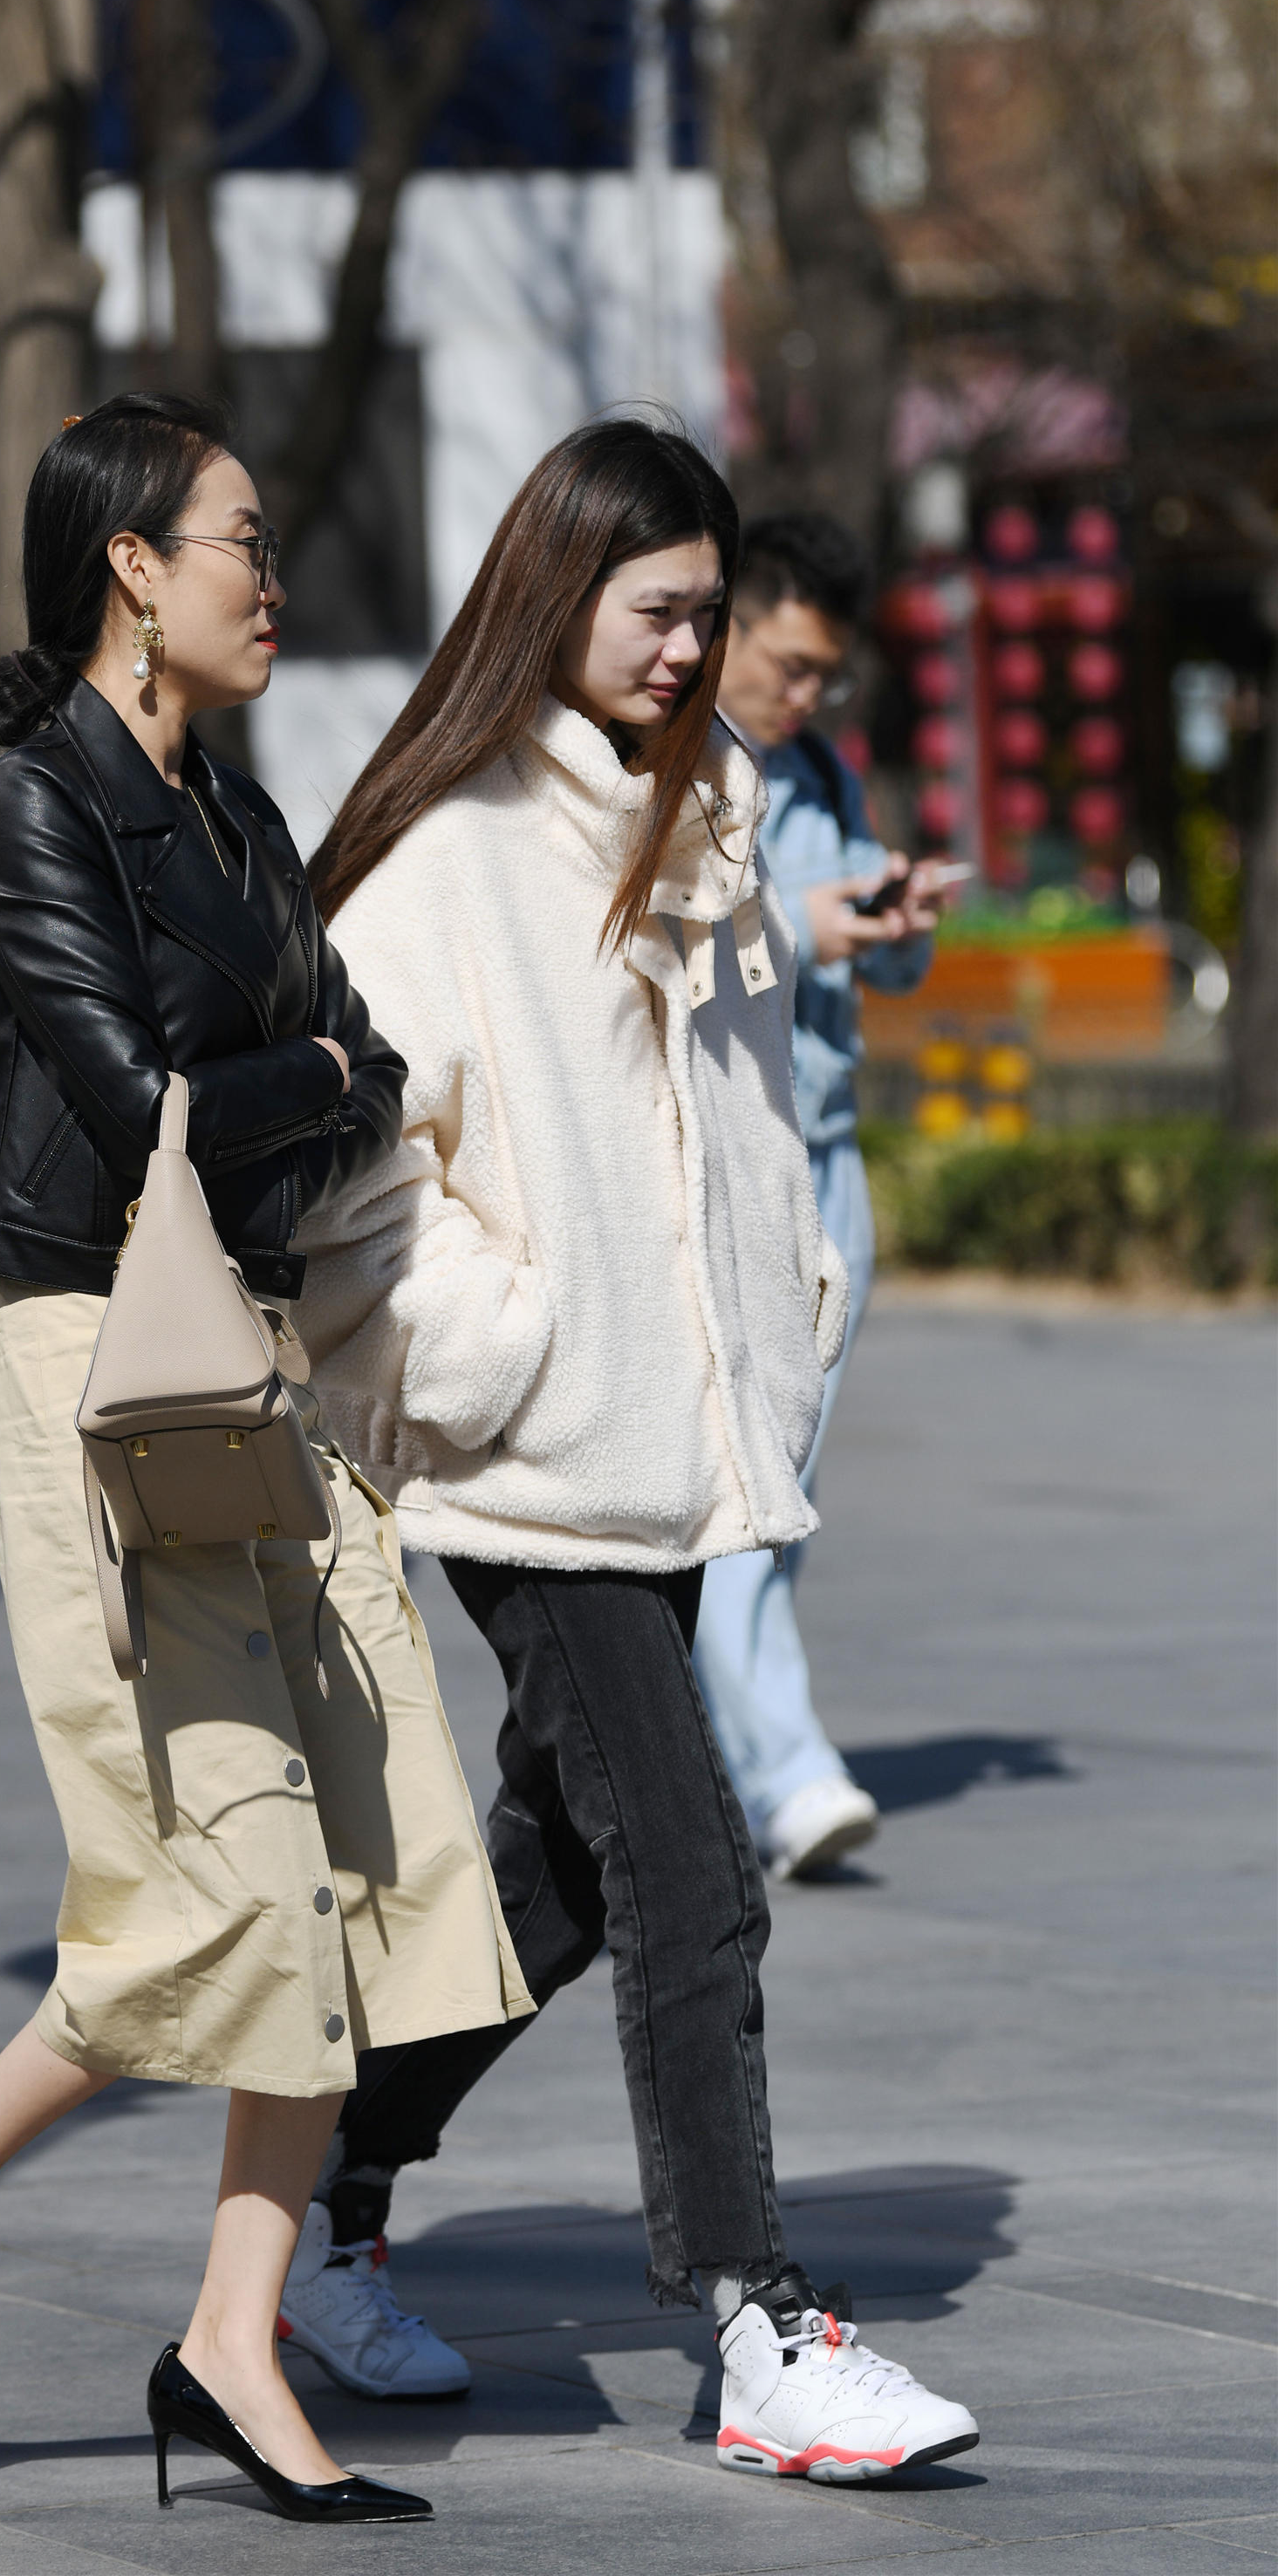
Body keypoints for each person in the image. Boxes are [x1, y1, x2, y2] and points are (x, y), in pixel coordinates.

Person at [0, 393, 530, 2527]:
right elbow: (143, 1111)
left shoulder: (239, 820)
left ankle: (228, 2334)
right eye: (240, 536)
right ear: (131, 561)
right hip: (104, 1378)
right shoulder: (34, 811)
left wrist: (290, 1070)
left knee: (381, 1863)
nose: (269, 572)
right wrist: (293, 1067)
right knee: (208, 1880)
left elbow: (357, 1074)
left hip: (266, 1371)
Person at [288, 419, 978, 2484]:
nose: (687, 651)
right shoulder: (446, 850)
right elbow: (349, 1180)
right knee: (690, 1864)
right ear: (556, 590)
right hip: (532, 1453)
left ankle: (314, 2191)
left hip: (672, 1435)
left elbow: (729, 1116)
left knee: (564, 1871)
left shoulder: (714, 809)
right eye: (658, 612)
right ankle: (756, 2327)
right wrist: (487, 1340)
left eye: (705, 612)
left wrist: (777, 1301)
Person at [693, 513, 952, 1880]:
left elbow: (868, 973)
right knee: (740, 1480)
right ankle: (787, 1772)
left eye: (824, 677)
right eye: (789, 665)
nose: (805, 696)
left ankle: (711, 1762)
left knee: (782, 1484)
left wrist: (894, 922)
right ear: (728, 625)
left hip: (830, 1160)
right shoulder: (672, 763)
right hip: (732, 1161)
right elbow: (671, 939)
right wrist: (808, 920)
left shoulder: (825, 772)